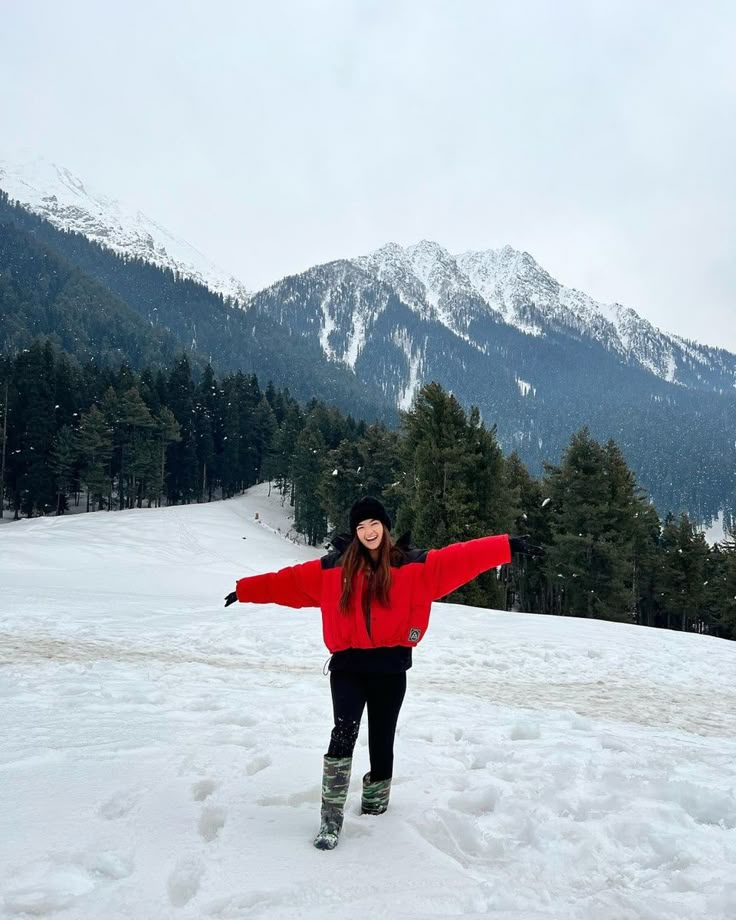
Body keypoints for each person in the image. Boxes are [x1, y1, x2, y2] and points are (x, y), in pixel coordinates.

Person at [224, 496, 543, 850]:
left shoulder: (414, 566)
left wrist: (505, 546)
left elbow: (460, 558)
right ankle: (331, 818)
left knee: (382, 737)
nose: (367, 532)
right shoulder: (333, 570)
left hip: (391, 669)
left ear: (385, 527)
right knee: (343, 732)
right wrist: (245, 589)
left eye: (373, 524)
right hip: (348, 668)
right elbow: (288, 583)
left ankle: (376, 806)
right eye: (360, 527)